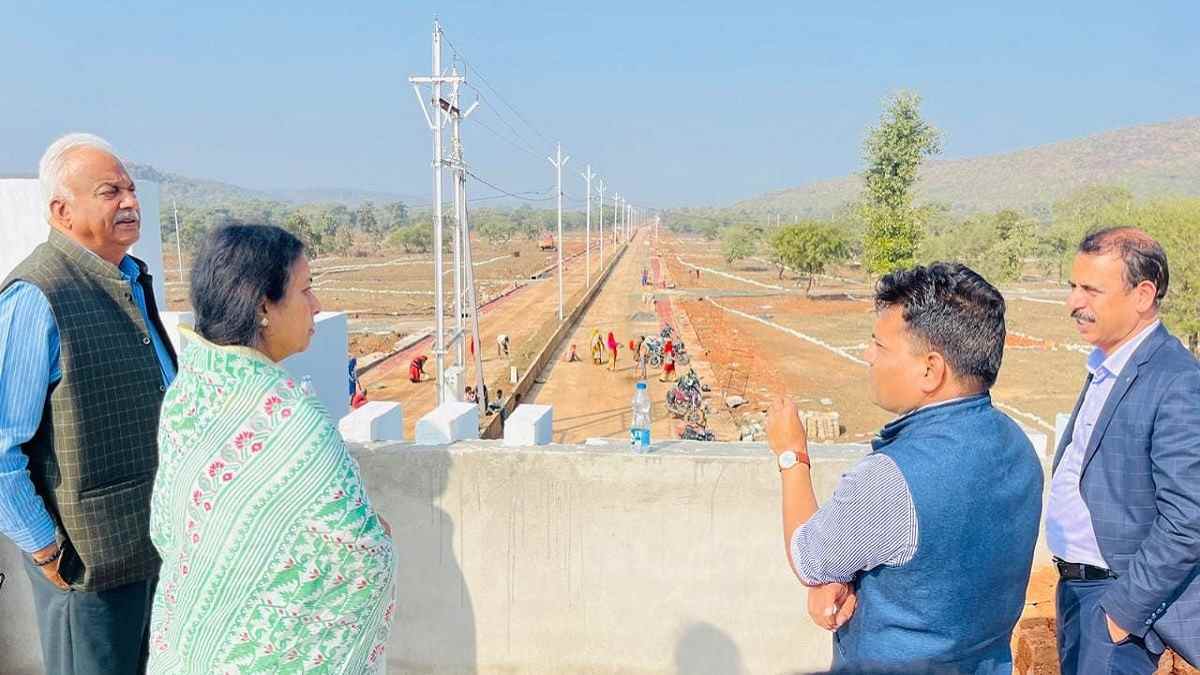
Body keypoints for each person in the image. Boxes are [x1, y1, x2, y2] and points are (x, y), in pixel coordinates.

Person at [766, 262, 1042, 673]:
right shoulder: (1016, 444)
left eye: (879, 346)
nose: (868, 355)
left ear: (930, 370)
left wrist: (792, 456)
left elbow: (809, 559)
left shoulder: (893, 477)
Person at [147, 224, 395, 673]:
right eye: (306, 290)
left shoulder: (189, 391)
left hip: (189, 645)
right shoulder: (291, 417)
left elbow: (170, 527)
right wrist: (380, 533)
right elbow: (362, 553)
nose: (317, 306)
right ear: (264, 305)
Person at [0, 133, 178, 674]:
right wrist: (43, 547)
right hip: (85, 562)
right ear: (61, 210)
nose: (130, 201)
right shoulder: (38, 295)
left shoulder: (129, 279)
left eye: (130, 188)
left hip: (146, 547)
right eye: (109, 191)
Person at [1045, 228, 1200, 673]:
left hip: (1118, 602)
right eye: (1073, 287)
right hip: (1077, 591)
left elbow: (1188, 520)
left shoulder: (1176, 380)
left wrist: (1120, 615)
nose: (1074, 303)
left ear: (1143, 295)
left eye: (1091, 290)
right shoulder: (1108, 365)